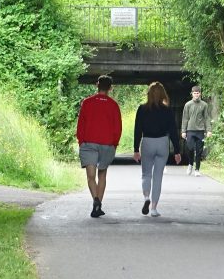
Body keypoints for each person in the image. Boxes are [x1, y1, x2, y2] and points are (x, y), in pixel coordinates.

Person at [133, 82, 181, 217]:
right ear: (163, 95)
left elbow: (138, 130)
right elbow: (173, 132)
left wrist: (136, 149)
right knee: (158, 176)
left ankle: (146, 197)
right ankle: (153, 208)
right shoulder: (167, 111)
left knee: (146, 174)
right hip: (162, 143)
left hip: (147, 141)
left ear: (149, 94)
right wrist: (177, 151)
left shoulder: (142, 109)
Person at [76, 75, 122, 218]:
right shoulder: (113, 105)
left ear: (97, 85)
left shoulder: (87, 103)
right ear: (110, 88)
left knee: (91, 176)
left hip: (88, 142)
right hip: (107, 144)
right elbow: (117, 127)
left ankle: (95, 200)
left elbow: (81, 124)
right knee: (102, 174)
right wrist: (114, 143)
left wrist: (81, 140)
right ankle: (98, 205)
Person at [181, 85, 212, 177]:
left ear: (200, 94)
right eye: (195, 93)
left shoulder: (204, 105)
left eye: (198, 93)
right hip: (190, 130)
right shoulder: (188, 105)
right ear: (192, 94)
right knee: (190, 148)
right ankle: (190, 164)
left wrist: (209, 130)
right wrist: (183, 131)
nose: (196, 95)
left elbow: (206, 118)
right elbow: (185, 118)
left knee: (199, 151)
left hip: (200, 130)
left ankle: (197, 169)